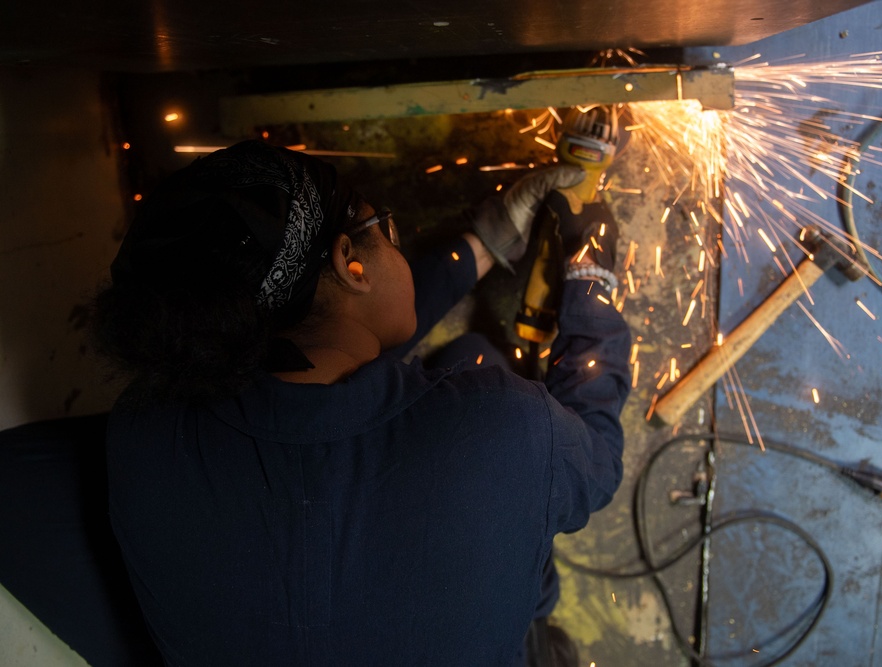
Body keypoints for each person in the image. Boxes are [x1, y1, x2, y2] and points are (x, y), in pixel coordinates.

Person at [92, 140, 631, 666]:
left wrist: (484, 243)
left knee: (471, 352)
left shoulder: (145, 433)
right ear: (351, 264)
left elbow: (333, 323)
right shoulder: (507, 428)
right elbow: (600, 460)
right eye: (387, 229)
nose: (395, 240)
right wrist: (591, 282)